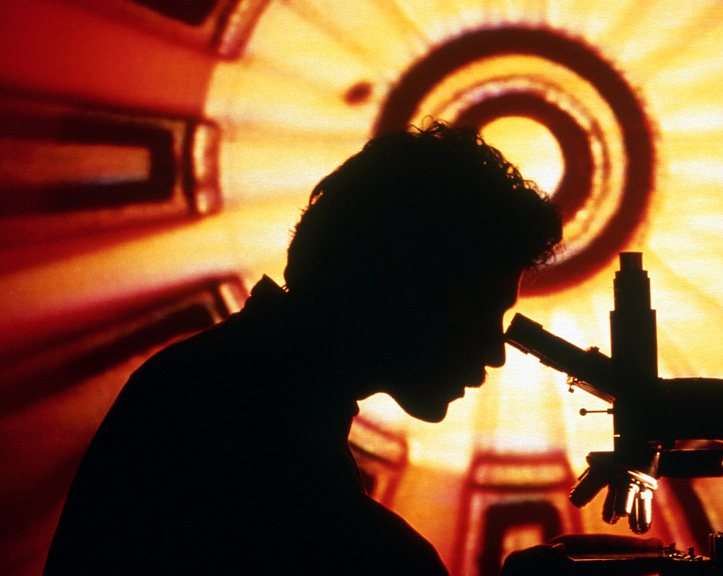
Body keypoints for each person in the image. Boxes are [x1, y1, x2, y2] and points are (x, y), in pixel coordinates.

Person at [44, 121, 563, 575]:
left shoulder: (204, 381)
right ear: (396, 282)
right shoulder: (232, 420)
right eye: (480, 305)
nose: (494, 352)